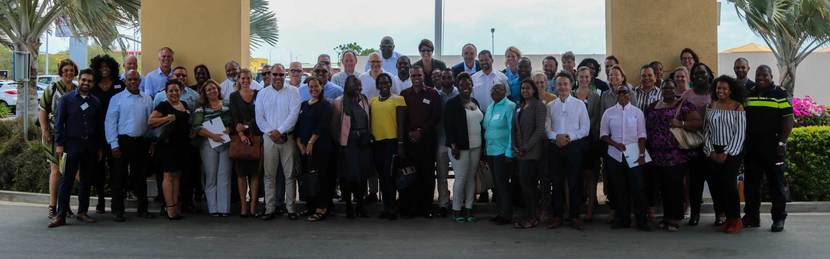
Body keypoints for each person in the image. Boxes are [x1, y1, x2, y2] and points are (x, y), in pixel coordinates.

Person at [644, 80, 702, 232]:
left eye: (670, 87)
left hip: (676, 155)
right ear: (660, 90)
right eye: (664, 88)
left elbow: (697, 123)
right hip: (656, 155)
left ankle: (675, 218)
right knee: (663, 188)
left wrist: (681, 123)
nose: (667, 90)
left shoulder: (684, 104)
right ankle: (666, 217)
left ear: (675, 89)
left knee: (675, 187)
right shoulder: (652, 106)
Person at [742, 65, 794, 232]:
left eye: (764, 75)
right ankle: (751, 217)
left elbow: (788, 120)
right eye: (758, 75)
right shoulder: (749, 93)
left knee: (776, 185)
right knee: (751, 185)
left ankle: (778, 218)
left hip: (773, 148)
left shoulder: (780, 94)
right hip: (751, 147)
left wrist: (782, 142)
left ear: (771, 76)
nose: (761, 78)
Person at [49, 69, 101, 228]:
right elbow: (59, 124)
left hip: (90, 146)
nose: (86, 83)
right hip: (71, 146)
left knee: (86, 181)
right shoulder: (66, 99)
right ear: (79, 80)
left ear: (93, 83)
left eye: (89, 81)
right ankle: (60, 215)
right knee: (66, 181)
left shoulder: (96, 102)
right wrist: (59, 144)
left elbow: (99, 127)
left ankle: (82, 212)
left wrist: (99, 147)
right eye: (84, 80)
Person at [105, 70, 155, 221]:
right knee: (119, 177)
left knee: (140, 177)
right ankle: (118, 210)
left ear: (140, 81)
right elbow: (110, 122)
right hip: (122, 141)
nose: (133, 82)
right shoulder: (117, 99)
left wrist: (152, 141)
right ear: (125, 81)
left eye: (136, 79)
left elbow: (151, 122)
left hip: (141, 142)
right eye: (130, 79)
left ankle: (143, 209)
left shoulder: (147, 99)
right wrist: (113, 144)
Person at [600, 85, 650, 231]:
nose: (623, 94)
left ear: (630, 94)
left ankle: (642, 220)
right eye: (620, 92)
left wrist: (641, 155)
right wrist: (615, 144)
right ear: (616, 94)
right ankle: (623, 219)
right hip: (615, 155)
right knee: (619, 188)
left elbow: (642, 135)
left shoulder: (637, 112)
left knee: (638, 188)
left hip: (634, 152)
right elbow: (603, 134)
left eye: (625, 92)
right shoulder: (608, 113)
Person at [256, 64, 302, 220]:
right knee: (269, 175)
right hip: (269, 139)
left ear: (285, 75)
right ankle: (269, 208)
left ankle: (290, 208)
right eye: (275, 74)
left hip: (287, 138)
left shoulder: (294, 92)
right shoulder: (262, 93)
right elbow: (259, 118)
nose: (277, 77)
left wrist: (280, 132)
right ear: (270, 75)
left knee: (290, 175)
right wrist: (272, 133)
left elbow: (293, 115)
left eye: (281, 75)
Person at [545, 72, 590, 230]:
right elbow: (546, 128)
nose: (562, 87)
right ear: (556, 86)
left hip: (574, 147)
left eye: (565, 84)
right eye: (559, 84)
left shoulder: (579, 105)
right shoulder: (550, 106)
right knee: (556, 183)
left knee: (575, 183)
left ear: (571, 86)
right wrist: (555, 137)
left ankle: (575, 217)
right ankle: (558, 216)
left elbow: (585, 128)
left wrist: (569, 137)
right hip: (555, 147)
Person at [703, 75, 747, 233]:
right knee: (718, 186)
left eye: (724, 88)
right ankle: (727, 218)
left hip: (732, 152)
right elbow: (706, 131)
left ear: (730, 90)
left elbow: (740, 134)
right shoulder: (711, 105)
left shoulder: (737, 107)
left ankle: (735, 220)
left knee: (729, 185)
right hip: (713, 151)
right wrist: (711, 152)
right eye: (718, 88)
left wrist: (726, 153)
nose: (721, 91)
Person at [400, 65, 442, 218]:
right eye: (413, 76)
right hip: (410, 142)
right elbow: (402, 118)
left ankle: (426, 208)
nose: (416, 78)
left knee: (427, 175)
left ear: (423, 75)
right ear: (410, 77)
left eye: (418, 75)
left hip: (427, 141)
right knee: (412, 176)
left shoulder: (432, 94)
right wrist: (410, 133)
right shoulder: (405, 94)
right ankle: (412, 208)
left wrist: (421, 131)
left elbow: (435, 116)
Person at [148, 79, 192, 220]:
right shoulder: (163, 105)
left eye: (176, 90)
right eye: (171, 91)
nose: (174, 93)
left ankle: (174, 205)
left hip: (182, 146)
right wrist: (167, 118)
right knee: (168, 176)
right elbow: (151, 121)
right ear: (166, 93)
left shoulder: (184, 104)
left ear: (180, 91)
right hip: (168, 146)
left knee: (177, 175)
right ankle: (170, 208)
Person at [40, 59, 78, 219]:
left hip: (71, 137)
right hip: (54, 135)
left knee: (69, 172)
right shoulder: (52, 88)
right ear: (61, 72)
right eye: (65, 70)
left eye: (71, 70)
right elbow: (42, 109)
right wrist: (45, 130)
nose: (68, 73)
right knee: (56, 171)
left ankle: (65, 205)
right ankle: (52, 206)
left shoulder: (77, 89)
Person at [443, 72, 484, 223]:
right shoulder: (452, 104)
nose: (465, 87)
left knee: (471, 177)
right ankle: (456, 209)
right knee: (460, 178)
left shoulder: (475, 101)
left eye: (468, 84)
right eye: (461, 85)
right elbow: (448, 126)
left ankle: (469, 208)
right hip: (459, 147)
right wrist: (453, 145)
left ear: (472, 86)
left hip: (476, 146)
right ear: (457, 87)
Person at [684, 63, 719, 227]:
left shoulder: (716, 94)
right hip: (694, 144)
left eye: (703, 73)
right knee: (695, 183)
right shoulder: (687, 94)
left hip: (713, 142)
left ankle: (720, 214)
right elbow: (680, 114)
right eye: (696, 74)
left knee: (715, 182)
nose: (699, 76)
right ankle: (695, 214)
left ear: (709, 75)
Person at [332, 75, 373, 219]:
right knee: (348, 177)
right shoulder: (339, 103)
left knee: (362, 176)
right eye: (355, 86)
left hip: (363, 143)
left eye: (359, 86)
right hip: (348, 145)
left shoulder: (364, 100)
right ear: (347, 87)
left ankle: (361, 205)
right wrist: (340, 143)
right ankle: (349, 206)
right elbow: (335, 127)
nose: (358, 89)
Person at [295, 76, 334, 221]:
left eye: (316, 86)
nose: (313, 89)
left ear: (322, 87)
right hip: (304, 149)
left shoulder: (325, 105)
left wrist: (311, 142)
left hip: (321, 147)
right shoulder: (304, 105)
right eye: (310, 87)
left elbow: (322, 125)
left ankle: (322, 208)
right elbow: (299, 126)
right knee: (308, 178)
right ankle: (310, 207)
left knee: (322, 178)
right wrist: (299, 143)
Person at [192, 80, 233, 217]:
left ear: (218, 89)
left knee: (224, 176)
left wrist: (229, 129)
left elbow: (233, 121)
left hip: (226, 142)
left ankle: (224, 208)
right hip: (208, 143)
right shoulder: (200, 107)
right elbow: (196, 127)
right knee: (211, 176)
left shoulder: (227, 104)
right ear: (204, 93)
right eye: (208, 90)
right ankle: (213, 208)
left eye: (214, 88)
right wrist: (212, 135)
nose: (212, 91)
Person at [369, 73, 407, 220]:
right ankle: (386, 207)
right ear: (377, 86)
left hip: (392, 142)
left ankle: (393, 208)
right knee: (382, 177)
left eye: (387, 82)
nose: (384, 85)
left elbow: (401, 124)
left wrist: (401, 144)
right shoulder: (372, 101)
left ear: (390, 84)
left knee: (390, 176)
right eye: (381, 83)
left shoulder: (398, 99)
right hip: (377, 144)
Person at [511, 79, 547, 229]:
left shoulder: (539, 106)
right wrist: (515, 146)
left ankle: (532, 217)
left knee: (529, 185)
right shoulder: (519, 106)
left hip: (532, 153)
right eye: (523, 88)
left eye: (528, 88)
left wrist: (525, 147)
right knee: (524, 185)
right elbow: (514, 129)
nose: (525, 90)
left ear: (534, 90)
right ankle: (529, 214)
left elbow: (539, 130)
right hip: (520, 152)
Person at [89, 55, 123, 214]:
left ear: (112, 68)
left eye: (107, 66)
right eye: (101, 67)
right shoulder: (92, 86)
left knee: (116, 168)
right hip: (97, 134)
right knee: (98, 169)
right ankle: (101, 199)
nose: (104, 69)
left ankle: (116, 203)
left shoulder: (119, 84)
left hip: (116, 134)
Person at [229, 69, 262, 218]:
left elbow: (260, 115)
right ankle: (244, 206)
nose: (245, 80)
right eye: (242, 78)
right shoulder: (233, 96)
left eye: (248, 78)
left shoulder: (258, 94)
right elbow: (234, 117)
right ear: (238, 80)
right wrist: (241, 134)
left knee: (255, 174)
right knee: (241, 174)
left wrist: (247, 127)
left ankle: (253, 205)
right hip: (239, 139)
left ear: (252, 79)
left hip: (255, 137)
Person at [573, 66, 603, 222]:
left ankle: (590, 210)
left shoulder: (596, 97)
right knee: (575, 176)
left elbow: (597, 119)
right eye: (581, 77)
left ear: (590, 78)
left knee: (591, 177)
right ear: (577, 77)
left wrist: (586, 130)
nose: (584, 79)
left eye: (586, 77)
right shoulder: (571, 95)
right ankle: (574, 209)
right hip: (573, 141)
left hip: (590, 141)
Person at [483, 83, 515, 225]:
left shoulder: (509, 106)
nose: (495, 91)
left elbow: (512, 130)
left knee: (502, 184)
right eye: (493, 89)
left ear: (505, 91)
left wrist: (509, 152)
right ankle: (500, 212)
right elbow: (486, 128)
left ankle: (506, 214)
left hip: (502, 152)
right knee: (496, 184)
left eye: (499, 89)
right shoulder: (490, 107)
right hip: (490, 151)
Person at [435, 69, 458, 216]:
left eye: (449, 77)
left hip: (457, 142)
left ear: (453, 78)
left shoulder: (459, 94)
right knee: (442, 175)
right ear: (440, 79)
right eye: (444, 77)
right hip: (441, 141)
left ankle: (458, 202)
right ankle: (443, 203)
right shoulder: (436, 95)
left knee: (460, 175)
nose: (446, 79)